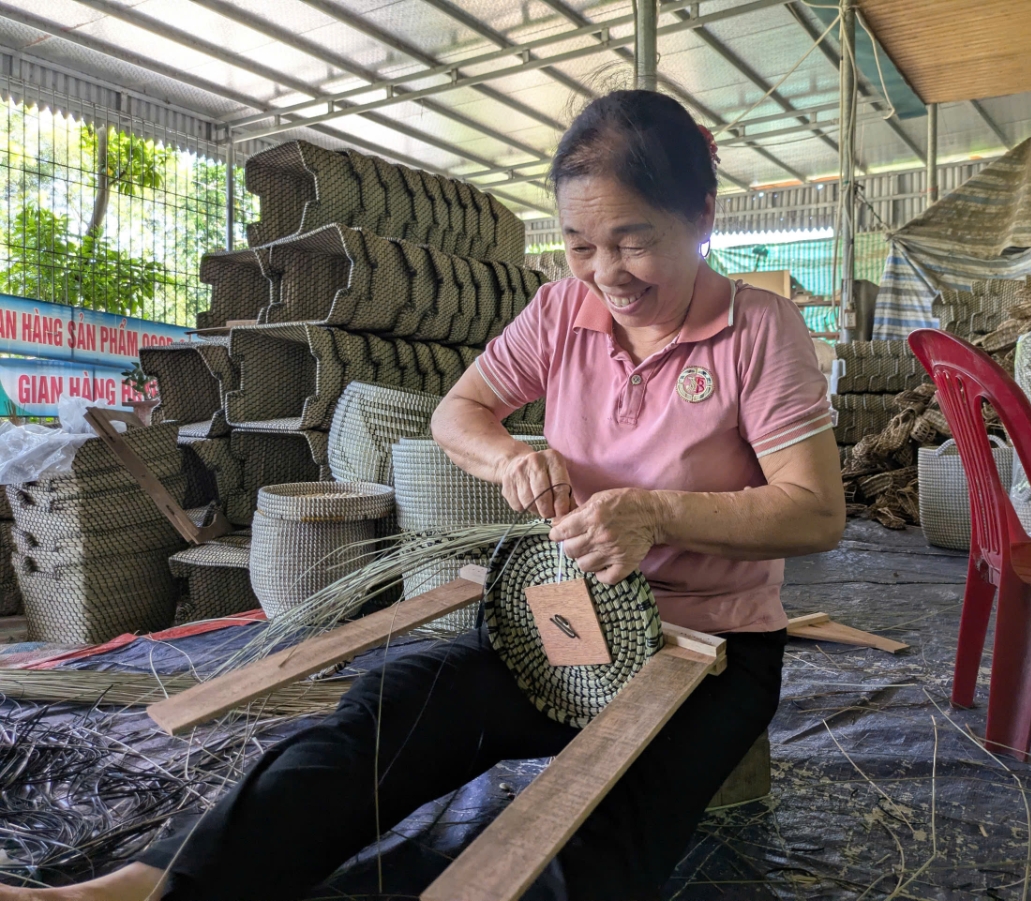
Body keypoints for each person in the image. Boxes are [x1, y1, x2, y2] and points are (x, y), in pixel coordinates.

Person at [1, 89, 844, 901]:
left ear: (702, 219)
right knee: (394, 704)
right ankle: (160, 884)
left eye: (631, 242)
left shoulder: (758, 333)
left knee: (602, 835)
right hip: (568, 615)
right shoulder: (560, 311)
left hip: (708, 646)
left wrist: (656, 511)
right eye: (581, 245)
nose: (605, 274)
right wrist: (510, 457)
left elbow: (814, 509)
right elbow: (459, 411)